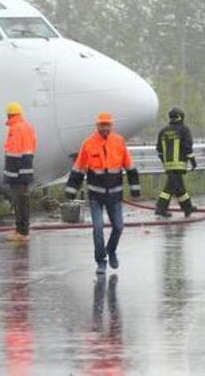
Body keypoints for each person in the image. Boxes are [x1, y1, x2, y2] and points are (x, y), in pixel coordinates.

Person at [65, 112, 140, 275]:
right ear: (97, 126)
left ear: (111, 126)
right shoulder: (89, 143)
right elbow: (78, 168)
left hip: (115, 194)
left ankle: (111, 250)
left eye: (107, 125)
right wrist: (71, 190)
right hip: (96, 196)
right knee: (97, 228)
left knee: (119, 227)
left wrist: (135, 187)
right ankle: (101, 261)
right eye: (102, 125)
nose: (104, 128)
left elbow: (129, 166)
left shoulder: (119, 141)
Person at [3, 101, 37, 243]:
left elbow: (14, 153)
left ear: (9, 115)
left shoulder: (15, 128)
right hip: (26, 169)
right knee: (23, 200)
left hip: (17, 172)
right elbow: (33, 146)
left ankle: (21, 232)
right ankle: (22, 230)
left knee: (19, 202)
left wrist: (10, 175)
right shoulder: (27, 127)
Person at [155, 107, 197, 218]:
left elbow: (159, 150)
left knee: (179, 188)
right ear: (181, 117)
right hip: (179, 164)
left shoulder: (163, 131)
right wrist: (193, 161)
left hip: (168, 165)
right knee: (170, 188)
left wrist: (165, 162)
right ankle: (160, 209)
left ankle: (187, 207)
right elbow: (188, 147)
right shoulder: (184, 130)